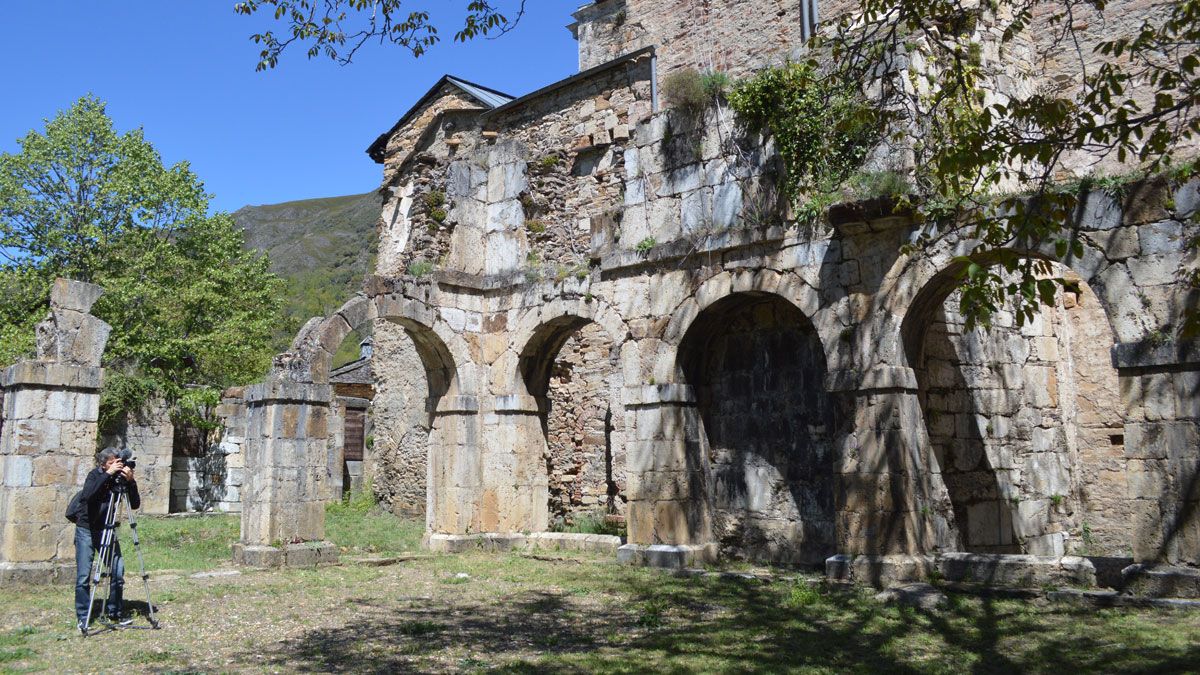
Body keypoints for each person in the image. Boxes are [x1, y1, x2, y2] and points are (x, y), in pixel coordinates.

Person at [73, 447, 140, 634]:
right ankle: (83, 616)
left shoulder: (119, 479)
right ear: (103, 465)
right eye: (112, 463)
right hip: (86, 529)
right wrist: (107, 474)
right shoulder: (95, 475)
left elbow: (134, 504)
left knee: (118, 572)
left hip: (107, 530)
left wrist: (131, 481)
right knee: (84, 576)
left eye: (118, 462)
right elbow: (88, 495)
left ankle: (115, 612)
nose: (116, 466)